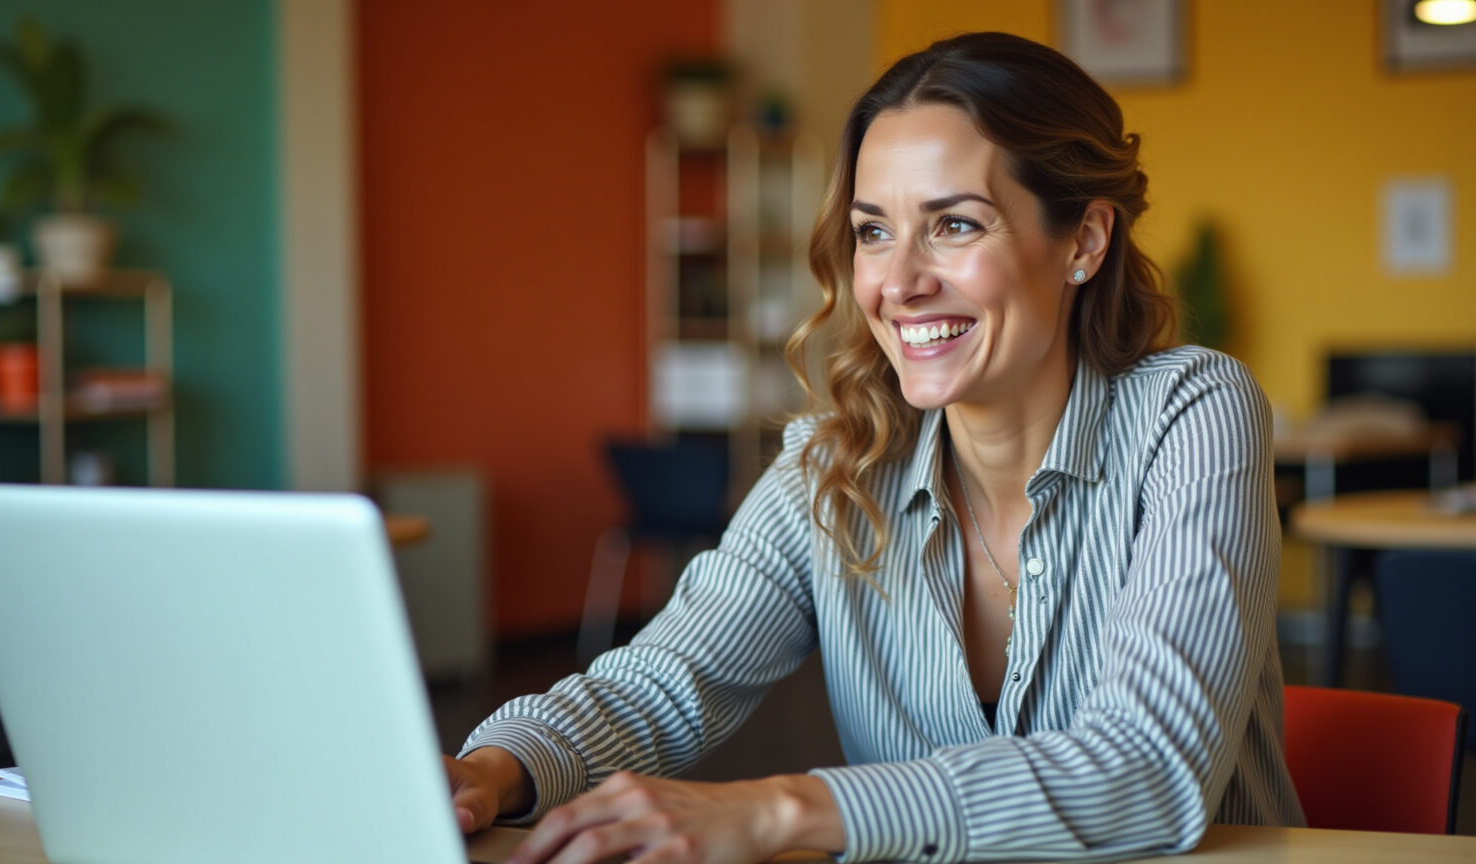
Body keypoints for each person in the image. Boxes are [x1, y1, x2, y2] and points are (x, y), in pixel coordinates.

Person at [444, 31, 1305, 863]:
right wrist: (492, 771)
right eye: (873, 231)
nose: (897, 283)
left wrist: (784, 810)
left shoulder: (1191, 413)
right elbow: (664, 681)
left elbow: (1147, 769)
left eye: (955, 226)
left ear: (1082, 240)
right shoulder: (835, 464)